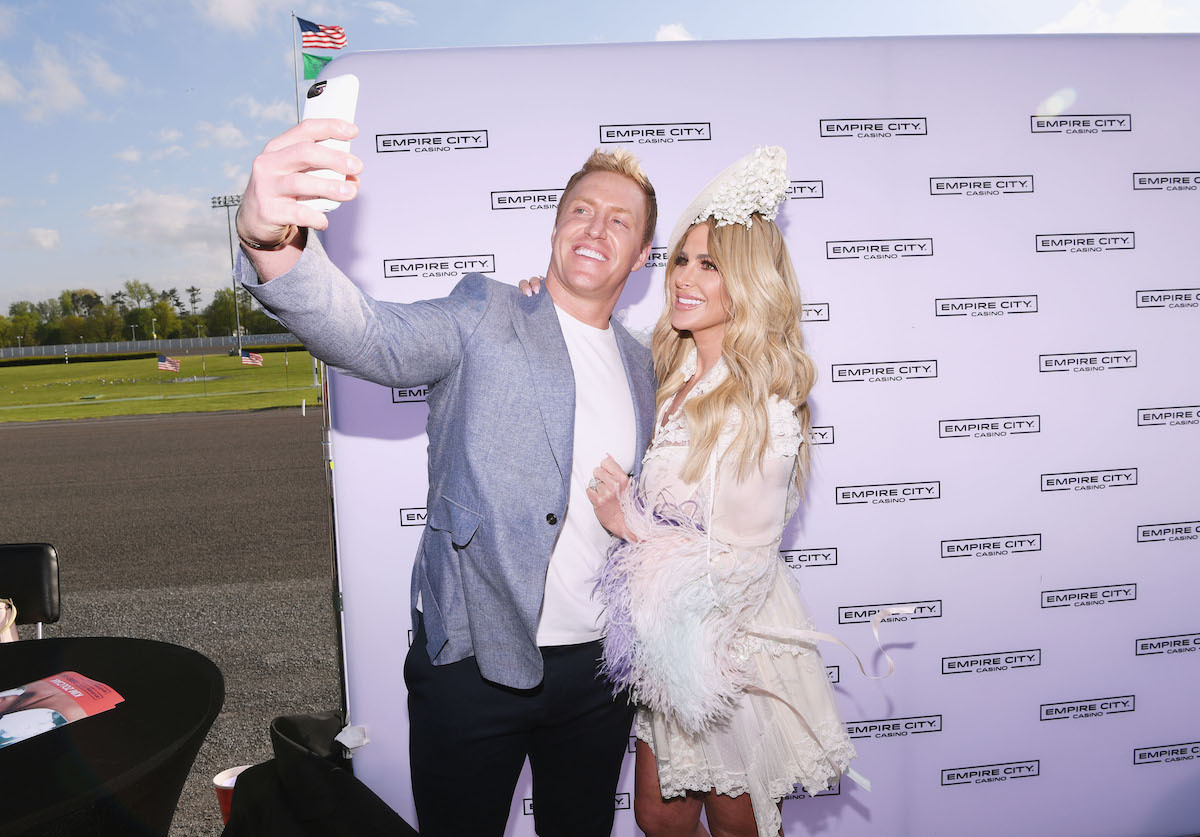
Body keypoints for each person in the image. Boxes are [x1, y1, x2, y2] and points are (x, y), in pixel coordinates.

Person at [233, 118, 660, 837]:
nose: (596, 227)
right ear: (557, 228)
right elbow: (370, 334)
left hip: (597, 672)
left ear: (642, 253)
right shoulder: (484, 312)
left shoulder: (644, 365)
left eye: (620, 220)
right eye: (581, 210)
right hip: (472, 664)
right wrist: (270, 243)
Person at [524, 147, 857, 837]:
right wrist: (541, 311)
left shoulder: (762, 405)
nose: (684, 277)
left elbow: (742, 564)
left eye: (710, 265)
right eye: (680, 259)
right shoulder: (667, 372)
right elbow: (587, 358)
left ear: (750, 283)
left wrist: (629, 524)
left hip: (729, 653)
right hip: (669, 645)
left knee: (736, 825)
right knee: (660, 815)